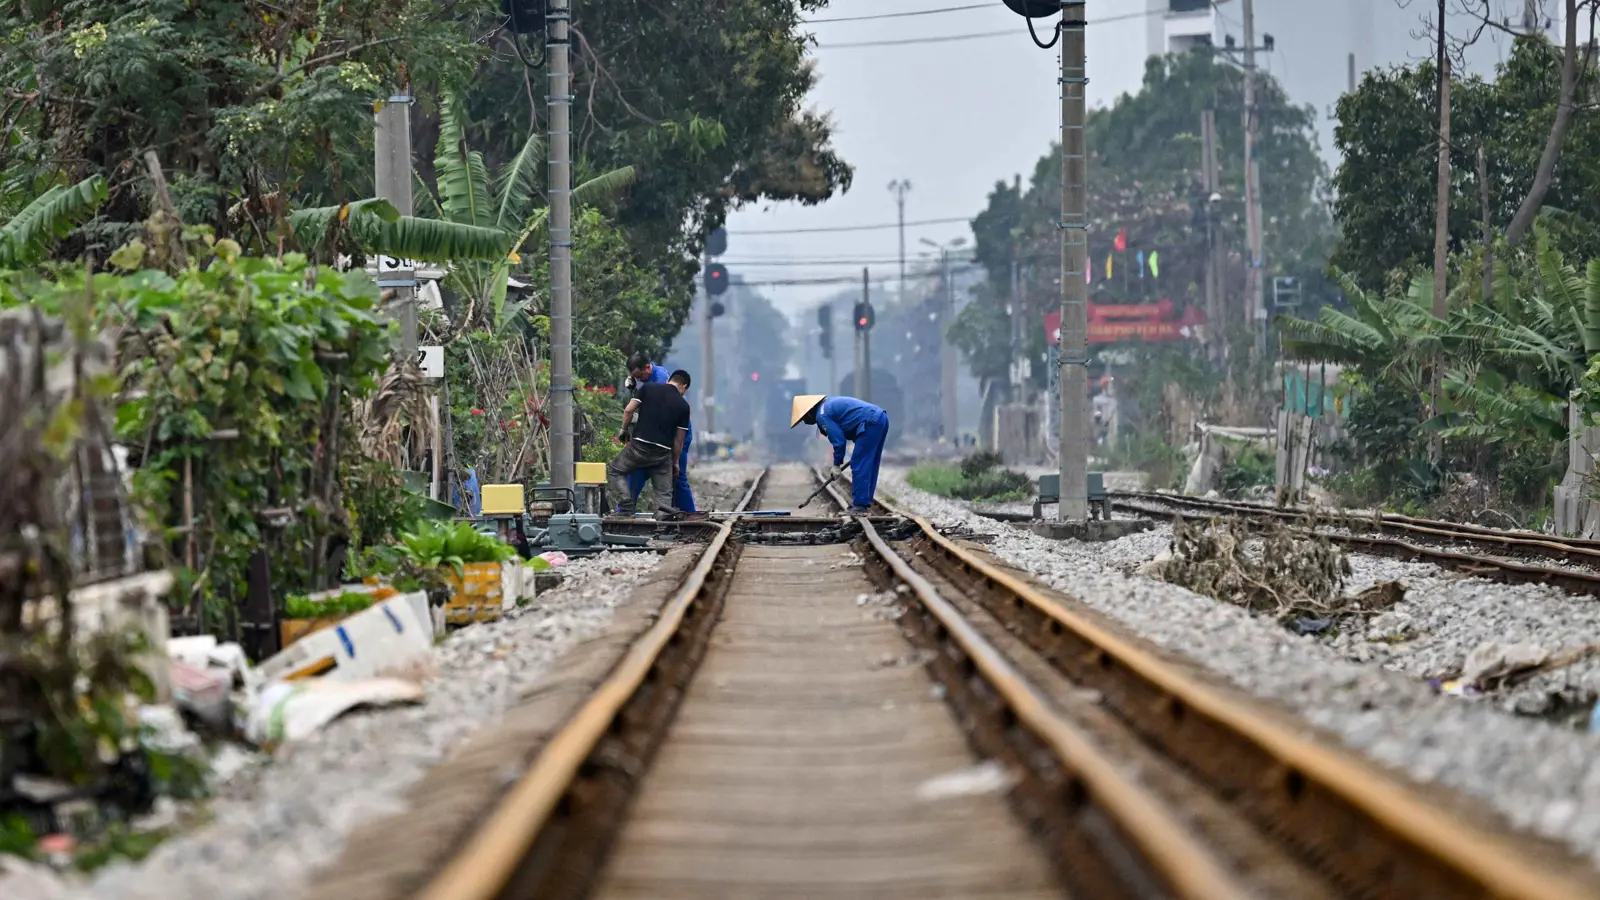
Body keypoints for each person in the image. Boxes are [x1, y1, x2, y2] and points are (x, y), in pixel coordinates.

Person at [609, 369, 692, 517]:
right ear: (684, 387)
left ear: (669, 380)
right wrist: (676, 462)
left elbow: (628, 411)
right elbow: (679, 440)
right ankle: (662, 524)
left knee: (616, 470)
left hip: (639, 448)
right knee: (664, 492)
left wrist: (623, 430)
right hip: (662, 453)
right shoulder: (683, 406)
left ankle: (626, 506)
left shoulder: (648, 388)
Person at [789, 393, 889, 515]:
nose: (805, 422)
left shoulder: (822, 415)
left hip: (870, 422)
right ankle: (864, 502)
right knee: (869, 463)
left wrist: (836, 464)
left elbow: (839, 441)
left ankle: (859, 506)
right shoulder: (827, 407)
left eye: (803, 418)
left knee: (859, 465)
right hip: (880, 418)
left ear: (809, 411)